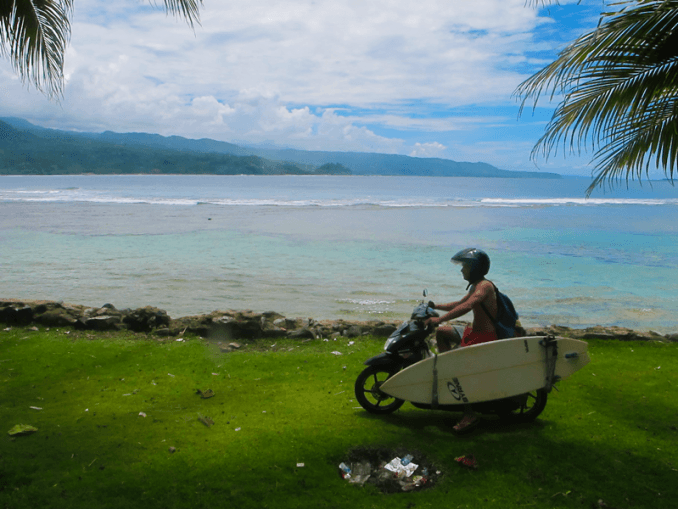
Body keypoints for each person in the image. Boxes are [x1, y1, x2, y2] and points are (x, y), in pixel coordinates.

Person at [425, 247, 498, 433]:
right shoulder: (476, 285)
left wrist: (440, 318)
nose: (461, 270)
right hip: (473, 332)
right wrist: (435, 306)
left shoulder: (485, 286)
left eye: (465, 266)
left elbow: (468, 306)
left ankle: (469, 413)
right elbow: (459, 303)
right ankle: (449, 371)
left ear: (475, 268)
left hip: (483, 338)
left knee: (460, 372)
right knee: (442, 333)